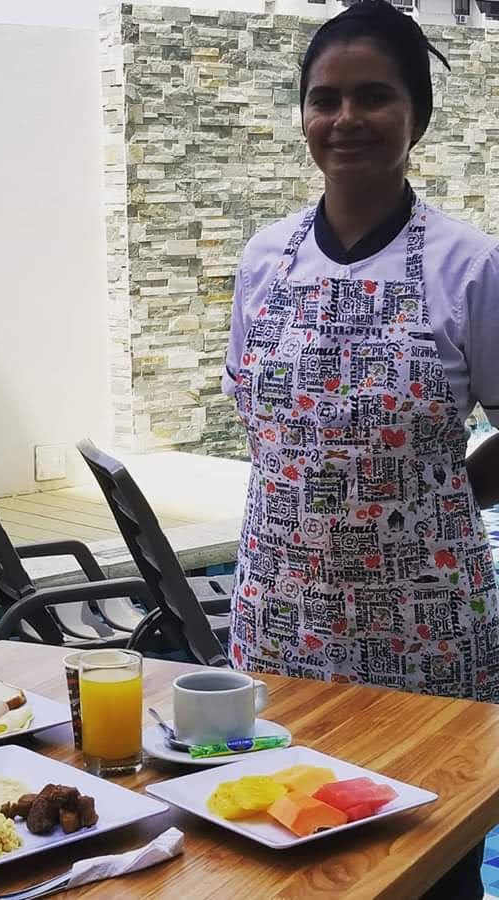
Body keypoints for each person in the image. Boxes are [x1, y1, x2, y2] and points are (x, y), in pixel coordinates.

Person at [222, 2, 499, 896]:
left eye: (373, 96)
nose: (346, 120)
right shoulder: (267, 260)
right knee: (275, 850)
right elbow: (262, 420)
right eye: (324, 99)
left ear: (416, 113)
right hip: (284, 618)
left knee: (428, 860)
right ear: (303, 115)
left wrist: (447, 494)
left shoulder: (470, 267)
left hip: (427, 631)